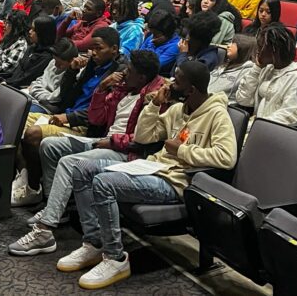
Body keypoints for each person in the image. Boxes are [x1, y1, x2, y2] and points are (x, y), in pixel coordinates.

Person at [58, 61, 237, 289]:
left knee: (104, 183)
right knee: (82, 169)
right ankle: (94, 242)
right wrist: (153, 105)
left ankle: (115, 259)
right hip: (153, 169)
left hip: (176, 182)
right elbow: (144, 137)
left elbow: (226, 157)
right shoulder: (177, 110)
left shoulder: (217, 115)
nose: (170, 84)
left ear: (191, 90)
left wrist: (181, 150)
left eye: (177, 81)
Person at [7, 50, 164, 256]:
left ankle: (45, 230)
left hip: (127, 151)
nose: (124, 73)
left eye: (129, 70)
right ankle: (56, 210)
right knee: (50, 146)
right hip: (105, 141)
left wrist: (113, 141)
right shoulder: (124, 89)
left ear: (142, 77)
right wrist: (101, 88)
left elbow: (146, 139)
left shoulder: (156, 97)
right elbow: (96, 119)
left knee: (69, 162)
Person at [14, 27, 124, 206]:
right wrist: (72, 72)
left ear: (114, 49)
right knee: (16, 120)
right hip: (67, 114)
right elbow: (66, 98)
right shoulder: (91, 66)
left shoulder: (117, 74)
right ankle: (24, 177)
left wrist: (69, 118)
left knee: (33, 134)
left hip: (84, 125)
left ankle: (33, 188)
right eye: (91, 48)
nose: (93, 53)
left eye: (98, 48)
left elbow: (102, 112)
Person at [236, 23, 297, 125]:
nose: (257, 52)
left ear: (275, 51)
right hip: (255, 126)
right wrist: (256, 68)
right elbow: (243, 100)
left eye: (260, 48)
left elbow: (288, 116)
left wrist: (254, 126)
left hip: (274, 133)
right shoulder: (266, 69)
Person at [5, 15, 57, 88]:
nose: (30, 32)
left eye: (33, 30)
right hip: (11, 83)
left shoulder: (47, 57)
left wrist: (7, 84)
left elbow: (27, 78)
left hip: (19, 90)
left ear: (42, 33)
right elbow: (18, 69)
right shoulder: (32, 48)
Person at [208, 34, 256, 103]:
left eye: (233, 43)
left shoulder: (249, 71)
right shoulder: (225, 64)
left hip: (219, 106)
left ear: (243, 48)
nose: (228, 46)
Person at [0, 10, 30, 78]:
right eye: (5, 21)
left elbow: (6, 69)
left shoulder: (20, 44)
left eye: (8, 23)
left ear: (16, 27)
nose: (4, 25)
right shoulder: (6, 38)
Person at [140, 7, 180, 76]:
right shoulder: (153, 35)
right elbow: (139, 54)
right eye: (152, 34)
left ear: (167, 33)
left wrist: (151, 46)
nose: (152, 38)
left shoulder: (176, 46)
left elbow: (153, 66)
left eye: (156, 35)